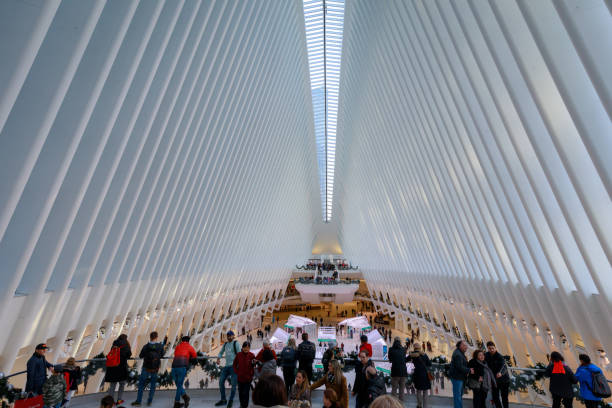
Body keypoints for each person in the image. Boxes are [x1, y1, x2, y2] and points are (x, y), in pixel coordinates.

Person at [132, 331, 166, 406]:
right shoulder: (160, 346)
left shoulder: (146, 346)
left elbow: (141, 356)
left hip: (146, 368)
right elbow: (162, 355)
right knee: (153, 385)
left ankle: (138, 401)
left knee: (141, 385)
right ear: (156, 337)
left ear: (150, 337)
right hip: (155, 368)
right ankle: (149, 401)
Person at [105, 334, 132, 406]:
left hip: (113, 367)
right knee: (122, 384)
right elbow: (129, 354)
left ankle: (111, 401)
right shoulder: (126, 345)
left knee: (113, 385)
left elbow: (111, 353)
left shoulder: (114, 344)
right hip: (121, 368)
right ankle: (119, 400)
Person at [216, 330, 241, 408]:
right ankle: (223, 400)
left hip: (234, 367)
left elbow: (239, 355)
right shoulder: (225, 344)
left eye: (231, 336)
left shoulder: (236, 343)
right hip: (226, 367)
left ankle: (231, 400)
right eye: (228, 336)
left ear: (233, 336)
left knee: (233, 385)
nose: (229, 337)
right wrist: (218, 358)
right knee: (221, 382)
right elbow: (220, 352)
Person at [172, 335, 196, 408]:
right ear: (188, 341)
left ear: (182, 341)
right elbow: (194, 355)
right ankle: (179, 401)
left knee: (178, 384)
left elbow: (175, 354)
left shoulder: (178, 346)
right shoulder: (189, 347)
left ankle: (184, 398)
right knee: (179, 385)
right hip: (182, 366)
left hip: (174, 366)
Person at [485, 342, 509, 408]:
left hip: (504, 380)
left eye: (493, 348)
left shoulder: (500, 356)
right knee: (495, 397)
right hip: (494, 380)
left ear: (495, 348)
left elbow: (504, 367)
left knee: (504, 397)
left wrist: (500, 373)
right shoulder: (486, 355)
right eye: (490, 348)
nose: (491, 350)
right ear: (488, 348)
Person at [407, 343, 431, 408]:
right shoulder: (424, 354)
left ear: (414, 348)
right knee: (425, 391)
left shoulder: (412, 355)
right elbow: (429, 363)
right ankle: (425, 406)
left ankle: (419, 405)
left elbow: (405, 360)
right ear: (420, 348)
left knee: (418, 390)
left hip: (417, 375)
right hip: (425, 375)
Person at [233, 341, 256, 408]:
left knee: (246, 393)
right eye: (245, 347)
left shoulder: (252, 355)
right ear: (242, 348)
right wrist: (237, 372)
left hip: (248, 379)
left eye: (248, 347)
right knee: (240, 393)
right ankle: (241, 404)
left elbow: (254, 365)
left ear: (249, 348)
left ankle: (244, 406)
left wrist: (252, 373)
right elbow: (234, 364)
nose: (246, 349)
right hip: (240, 378)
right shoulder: (239, 355)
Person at [448, 341, 470, 408]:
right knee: (458, 396)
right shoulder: (458, 354)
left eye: (466, 345)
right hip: (457, 378)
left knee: (459, 395)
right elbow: (459, 366)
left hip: (458, 377)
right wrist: (469, 370)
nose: (466, 347)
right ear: (460, 346)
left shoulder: (459, 352)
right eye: (464, 345)